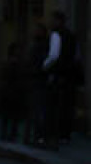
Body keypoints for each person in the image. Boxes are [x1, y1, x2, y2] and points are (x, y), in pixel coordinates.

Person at [43, 11, 80, 144]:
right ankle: (65, 134)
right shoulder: (72, 36)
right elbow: (76, 56)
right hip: (70, 75)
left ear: (59, 21)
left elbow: (53, 55)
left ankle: (55, 133)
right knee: (67, 106)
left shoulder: (56, 35)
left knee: (55, 105)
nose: (50, 23)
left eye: (52, 20)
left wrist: (44, 66)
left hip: (58, 74)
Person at [23, 22, 48, 145]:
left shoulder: (41, 46)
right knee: (33, 110)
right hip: (34, 80)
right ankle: (31, 137)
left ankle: (36, 137)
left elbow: (40, 63)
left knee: (37, 110)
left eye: (37, 30)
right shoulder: (36, 45)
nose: (34, 32)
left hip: (38, 80)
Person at [0, 43, 26, 141]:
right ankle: (8, 133)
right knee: (9, 115)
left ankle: (9, 133)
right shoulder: (12, 63)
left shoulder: (13, 63)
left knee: (10, 115)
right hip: (11, 92)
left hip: (12, 92)